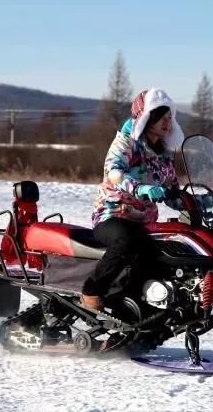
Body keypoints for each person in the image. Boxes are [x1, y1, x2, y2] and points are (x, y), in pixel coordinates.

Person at [80, 88, 185, 310]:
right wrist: (141, 189)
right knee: (128, 240)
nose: (167, 122)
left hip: (145, 221)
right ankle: (92, 290)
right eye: (161, 116)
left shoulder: (164, 154)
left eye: (169, 117)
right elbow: (114, 172)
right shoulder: (126, 142)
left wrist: (195, 202)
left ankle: (140, 306)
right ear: (147, 117)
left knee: (165, 251)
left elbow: (172, 190)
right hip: (112, 214)